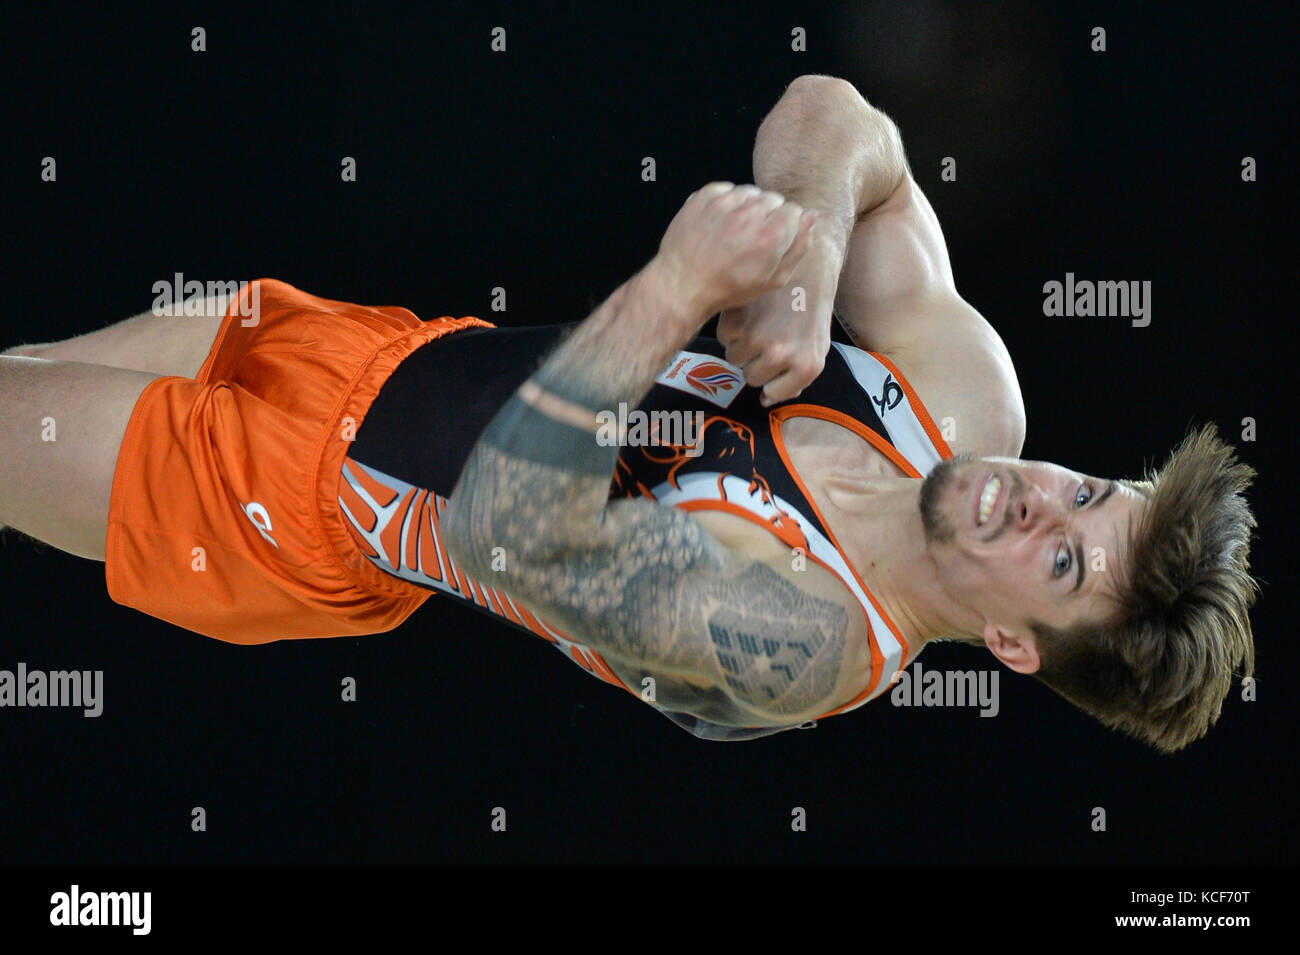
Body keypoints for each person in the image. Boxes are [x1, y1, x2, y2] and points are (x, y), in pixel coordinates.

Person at [0, 76, 1256, 750]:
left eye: (1059, 558)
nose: (1034, 497)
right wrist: (811, 259)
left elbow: (507, 528)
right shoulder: (966, 405)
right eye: (1085, 491)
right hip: (375, 351)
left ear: (1016, 645)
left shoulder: (797, 641)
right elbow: (839, 120)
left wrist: (674, 295)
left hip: (291, 509)